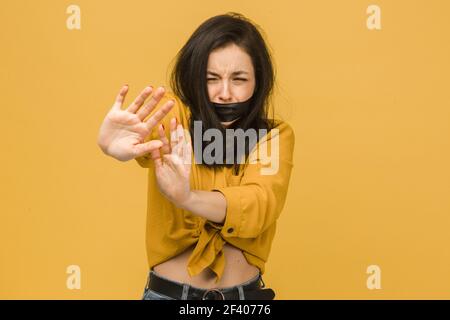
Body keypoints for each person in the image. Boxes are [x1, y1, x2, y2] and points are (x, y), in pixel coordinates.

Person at [97, 12, 295, 300]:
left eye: (239, 79)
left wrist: (189, 198)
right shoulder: (172, 113)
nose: (224, 93)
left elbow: (259, 205)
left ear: (259, 81)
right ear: (194, 79)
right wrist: (115, 144)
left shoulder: (274, 136)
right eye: (211, 79)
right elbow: (150, 134)